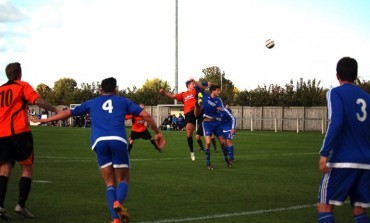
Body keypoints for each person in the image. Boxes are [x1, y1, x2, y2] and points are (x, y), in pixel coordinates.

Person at [32, 77, 165, 223]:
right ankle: (118, 202)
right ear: (116, 89)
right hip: (118, 140)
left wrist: (45, 120)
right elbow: (145, 115)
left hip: (98, 142)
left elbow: (69, 113)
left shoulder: (92, 102)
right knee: (123, 179)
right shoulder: (123, 101)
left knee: (109, 182)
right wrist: (157, 132)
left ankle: (115, 219)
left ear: (100, 90)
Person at [0, 62, 60, 220]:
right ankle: (21, 205)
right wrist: (55, 110)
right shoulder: (22, 86)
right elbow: (38, 101)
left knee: (4, 170)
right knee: (26, 168)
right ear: (20, 73)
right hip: (19, 133)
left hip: (2, 135)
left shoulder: (0, 90)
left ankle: (0, 205)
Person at [317, 57, 370, 223]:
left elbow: (337, 121)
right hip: (366, 162)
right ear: (356, 75)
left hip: (342, 160)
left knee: (325, 206)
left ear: (337, 75)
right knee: (359, 209)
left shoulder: (335, 92)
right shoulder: (367, 98)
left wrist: (324, 153)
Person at [159, 78, 209, 161]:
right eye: (192, 84)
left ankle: (198, 103)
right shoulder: (183, 94)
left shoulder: (196, 90)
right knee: (189, 132)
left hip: (198, 110)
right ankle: (192, 151)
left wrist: (195, 81)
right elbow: (173, 96)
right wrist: (164, 92)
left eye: (194, 84)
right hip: (189, 113)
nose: (194, 85)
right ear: (188, 85)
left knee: (202, 112)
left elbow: (202, 87)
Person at [197, 85, 233, 170]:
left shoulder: (218, 100)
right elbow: (198, 87)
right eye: (217, 90)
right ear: (213, 91)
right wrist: (206, 83)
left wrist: (220, 109)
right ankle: (208, 163)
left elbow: (221, 109)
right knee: (208, 143)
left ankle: (227, 159)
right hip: (207, 124)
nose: (219, 92)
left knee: (223, 142)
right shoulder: (205, 96)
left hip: (216, 123)